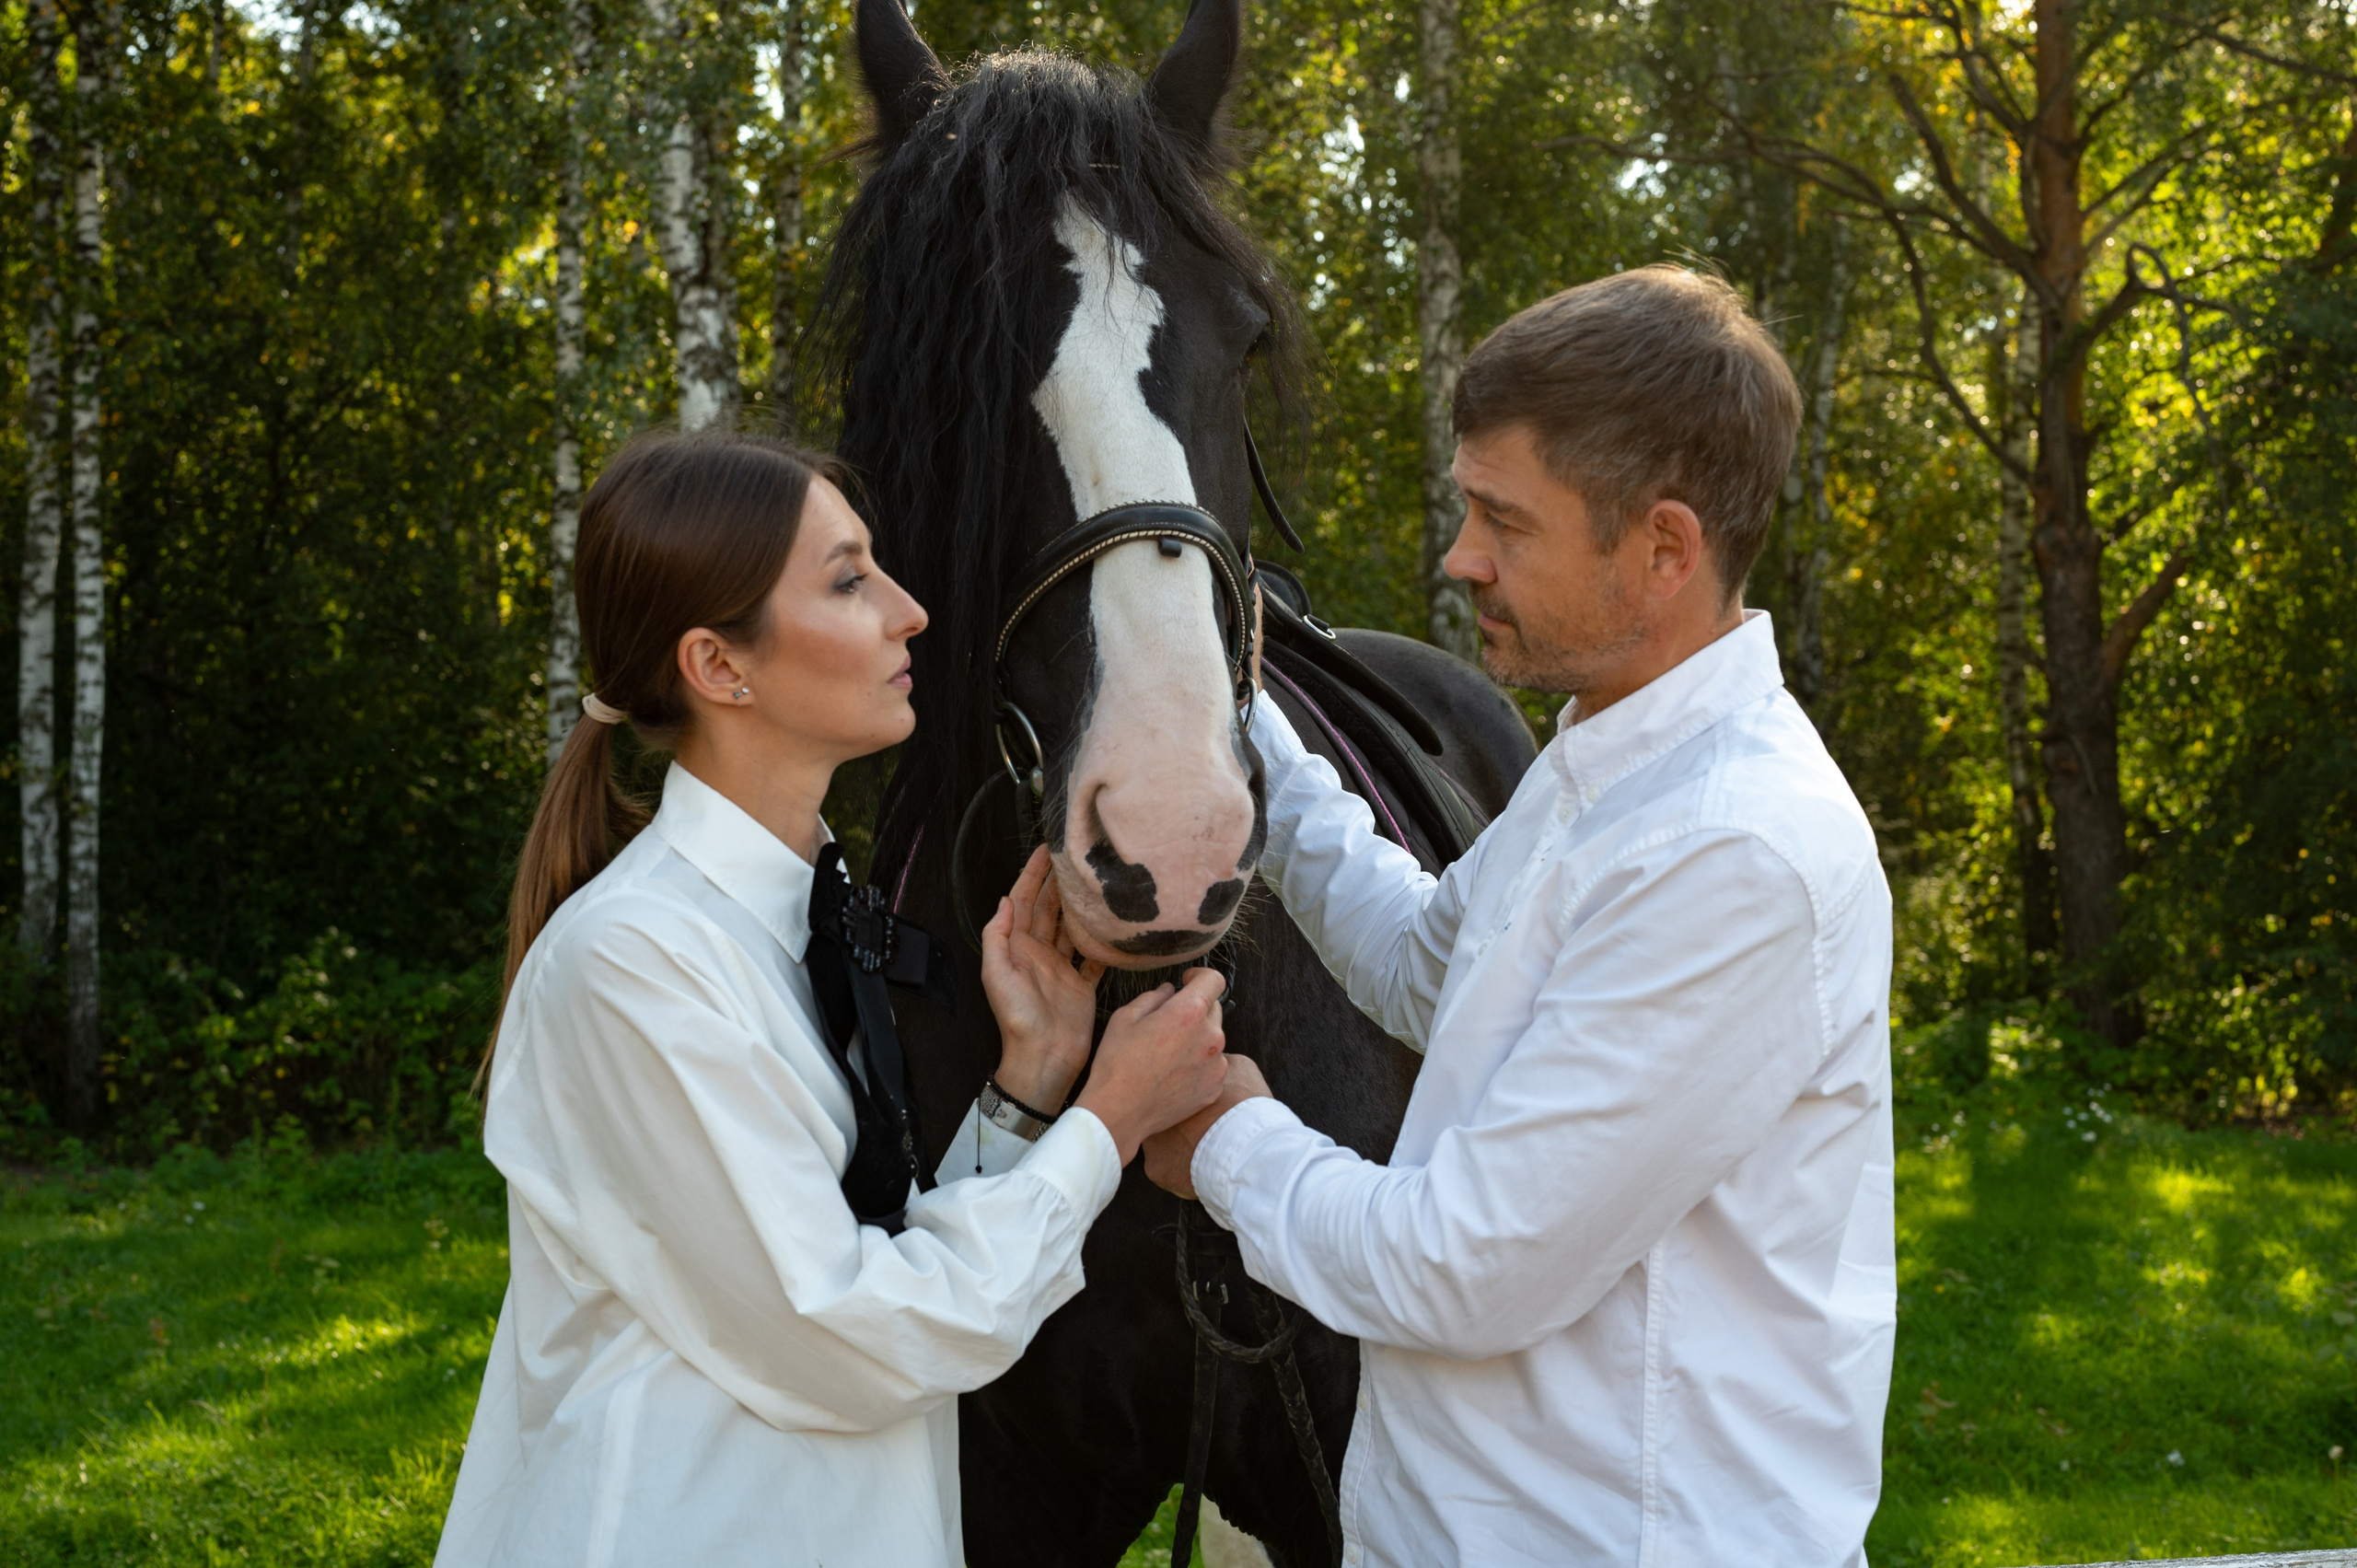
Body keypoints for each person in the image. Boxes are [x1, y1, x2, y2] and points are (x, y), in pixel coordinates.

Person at [1145, 265, 1897, 1566]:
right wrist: (1239, 710)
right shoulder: (1610, 762)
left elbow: (1465, 1270)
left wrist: (1224, 1135)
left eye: (1505, 519)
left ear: (1664, 548)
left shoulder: (1735, 850)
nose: (1461, 557)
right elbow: (1422, 963)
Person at [434, 430, 1230, 1568]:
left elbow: (877, 1252)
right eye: (850, 579)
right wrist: (1106, 1124)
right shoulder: (632, 963)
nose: (909, 610)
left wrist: (1030, 1087)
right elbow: (853, 1329)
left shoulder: (799, 914)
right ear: (720, 666)